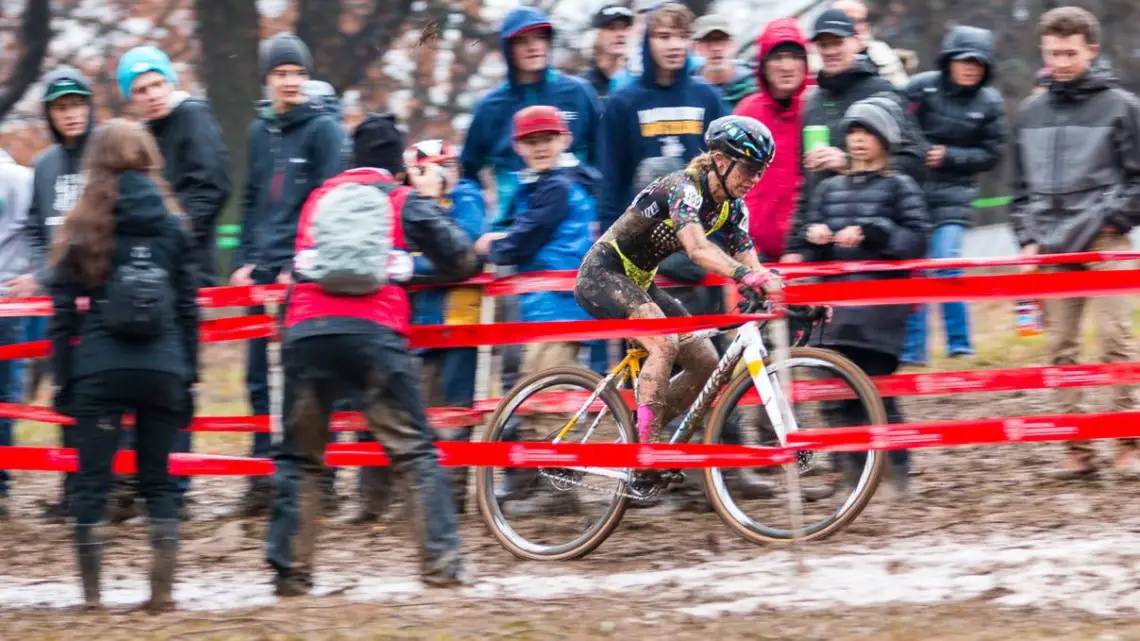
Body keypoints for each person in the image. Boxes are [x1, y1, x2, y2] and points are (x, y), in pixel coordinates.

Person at [266, 113, 479, 596]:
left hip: (306, 333)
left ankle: (289, 572)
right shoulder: (402, 201)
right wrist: (411, 269)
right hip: (373, 335)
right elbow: (463, 258)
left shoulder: (318, 199)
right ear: (396, 168)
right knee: (415, 451)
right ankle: (442, 565)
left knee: (300, 457)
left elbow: (296, 265)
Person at [48, 119, 200, 611]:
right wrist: (188, 376)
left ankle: (92, 600)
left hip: (100, 372)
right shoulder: (175, 226)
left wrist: (65, 382)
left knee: (92, 484)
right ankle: (162, 596)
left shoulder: (83, 225)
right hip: (164, 371)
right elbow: (187, 309)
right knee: (158, 482)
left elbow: (64, 318)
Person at [575, 115, 778, 449]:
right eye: (748, 169)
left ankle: (641, 437)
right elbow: (697, 249)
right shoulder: (682, 187)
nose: (754, 179)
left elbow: (749, 259)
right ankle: (646, 450)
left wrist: (770, 283)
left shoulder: (734, 208)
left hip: (641, 283)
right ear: (721, 160)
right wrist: (746, 276)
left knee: (707, 363)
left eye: (760, 171)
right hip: (602, 274)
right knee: (665, 343)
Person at [1009, 6, 1140, 479]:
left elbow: (1138, 180)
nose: (1061, 62)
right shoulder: (1029, 112)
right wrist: (1026, 237)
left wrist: (1111, 218)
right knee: (1061, 347)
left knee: (1115, 340)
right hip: (1051, 247)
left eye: (1070, 52)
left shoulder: (1122, 107)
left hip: (1106, 242)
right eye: (1052, 53)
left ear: (1092, 50)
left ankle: (1128, 442)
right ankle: (1078, 449)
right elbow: (1019, 189)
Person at [117, 44, 232, 520]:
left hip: (182, 268)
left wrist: (175, 237)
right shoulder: (142, 133)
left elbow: (212, 187)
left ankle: (174, 486)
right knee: (143, 375)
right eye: (140, 90)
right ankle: (143, 478)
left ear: (170, 81)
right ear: (131, 98)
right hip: (148, 270)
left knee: (175, 375)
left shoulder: (193, 118)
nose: (151, 95)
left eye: (156, 84)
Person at [231, 33, 344, 517]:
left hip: (306, 271)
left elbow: (328, 204)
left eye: (298, 72)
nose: (291, 82)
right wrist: (246, 259)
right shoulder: (260, 132)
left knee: (310, 374)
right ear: (267, 79)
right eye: (282, 73)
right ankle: (262, 473)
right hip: (263, 270)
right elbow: (253, 199)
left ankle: (321, 476)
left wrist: (301, 264)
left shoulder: (324, 130)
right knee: (256, 376)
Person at [793, 99, 929, 495]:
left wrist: (875, 232)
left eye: (867, 132)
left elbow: (916, 240)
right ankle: (854, 479)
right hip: (835, 314)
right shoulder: (829, 188)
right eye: (853, 132)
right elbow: (811, 249)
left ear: (885, 140)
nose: (858, 141)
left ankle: (897, 472)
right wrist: (812, 239)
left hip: (879, 314)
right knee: (839, 400)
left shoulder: (900, 186)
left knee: (878, 395)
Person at [473, 106, 600, 515]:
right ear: (519, 146)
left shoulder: (556, 186)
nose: (540, 146)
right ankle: (537, 478)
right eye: (532, 140)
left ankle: (559, 488)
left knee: (548, 393)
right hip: (551, 305)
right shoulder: (557, 183)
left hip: (555, 305)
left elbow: (528, 236)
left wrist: (493, 246)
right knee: (538, 388)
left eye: (548, 138)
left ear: (564, 139)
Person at [7, 66, 97, 521]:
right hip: (62, 301)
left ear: (90, 106)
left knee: (104, 395)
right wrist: (44, 274)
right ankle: (74, 491)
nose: (71, 114)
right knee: (67, 393)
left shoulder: (108, 155)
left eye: (78, 104)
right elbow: (37, 230)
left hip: (105, 300)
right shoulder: (44, 166)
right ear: (50, 114)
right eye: (61, 107)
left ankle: (107, 489)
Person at [782, 8, 926, 264]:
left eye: (837, 42)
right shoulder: (812, 104)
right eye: (822, 45)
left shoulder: (883, 92)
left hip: (880, 247)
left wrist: (848, 163)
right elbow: (806, 184)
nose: (830, 51)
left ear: (857, 42)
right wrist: (796, 245)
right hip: (828, 247)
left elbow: (916, 160)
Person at [900, 27, 1007, 365]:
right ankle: (913, 350)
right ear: (950, 60)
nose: (970, 67)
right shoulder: (922, 87)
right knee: (915, 270)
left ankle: (959, 345)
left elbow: (992, 153)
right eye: (964, 60)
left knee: (947, 264)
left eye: (978, 63)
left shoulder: (990, 102)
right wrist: (921, 152)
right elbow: (895, 122)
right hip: (913, 191)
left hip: (955, 196)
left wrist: (950, 156)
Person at [460, 6, 601, 223]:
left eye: (539, 37)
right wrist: (475, 226)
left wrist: (598, 212)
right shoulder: (489, 106)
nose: (533, 47)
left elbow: (604, 156)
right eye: (522, 40)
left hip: (574, 224)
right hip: (513, 226)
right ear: (508, 48)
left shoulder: (579, 92)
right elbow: (468, 172)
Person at [597, 2, 730, 233]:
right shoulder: (623, 102)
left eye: (682, 36)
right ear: (648, 41)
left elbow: (727, 173)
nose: (674, 45)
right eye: (664, 36)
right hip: (641, 234)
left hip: (701, 233)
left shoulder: (709, 97)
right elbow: (612, 179)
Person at [406, 138, 486, 515]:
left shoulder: (466, 198)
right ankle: (425, 495)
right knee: (422, 408)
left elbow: (464, 253)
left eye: (446, 166)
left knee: (456, 409)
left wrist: (418, 267)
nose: (442, 174)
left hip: (459, 322)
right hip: (421, 324)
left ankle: (453, 496)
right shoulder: (412, 205)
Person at [733, 18, 810, 261]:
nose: (787, 66)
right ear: (763, 65)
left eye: (795, 56)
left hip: (806, 250)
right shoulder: (746, 113)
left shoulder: (816, 107)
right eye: (777, 58)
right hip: (754, 251)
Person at [0, 149, 34, 521]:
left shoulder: (17, 178)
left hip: (7, 302)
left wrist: (33, 274)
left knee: (4, 394)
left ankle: (1, 484)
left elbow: (37, 230)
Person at [826, 0, 909, 87]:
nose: (848, 26)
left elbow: (899, 89)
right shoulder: (816, 53)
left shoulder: (881, 52)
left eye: (855, 21)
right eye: (840, 21)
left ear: (866, 25)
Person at [691, 14, 756, 108]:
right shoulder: (687, 88)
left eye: (722, 40)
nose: (716, 48)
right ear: (695, 47)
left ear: (733, 44)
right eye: (707, 41)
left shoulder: (754, 87)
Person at [582, 4, 635, 98]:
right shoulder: (583, 86)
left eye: (624, 28)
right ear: (595, 36)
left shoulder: (638, 82)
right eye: (612, 28)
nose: (620, 34)